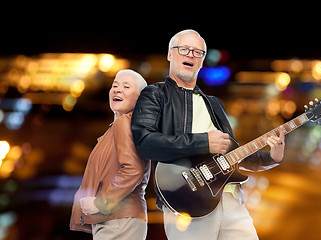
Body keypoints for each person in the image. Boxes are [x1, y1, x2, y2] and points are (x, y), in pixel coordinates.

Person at [131, 29, 286, 240]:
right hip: (188, 202)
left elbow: (233, 154)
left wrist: (272, 158)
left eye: (197, 52)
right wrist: (204, 142)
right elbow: (145, 143)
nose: (190, 55)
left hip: (231, 200)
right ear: (170, 54)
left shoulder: (214, 104)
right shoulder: (155, 95)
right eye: (184, 49)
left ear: (202, 61)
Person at [70, 69, 150, 240]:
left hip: (118, 219)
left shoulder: (124, 123)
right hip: (117, 219)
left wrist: (101, 202)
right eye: (115, 85)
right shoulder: (120, 127)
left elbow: (134, 169)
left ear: (140, 99)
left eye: (126, 86)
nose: (117, 89)